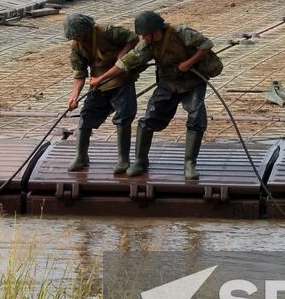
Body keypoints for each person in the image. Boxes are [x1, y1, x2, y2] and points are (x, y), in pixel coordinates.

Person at [94, 11, 223, 180]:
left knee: (197, 116)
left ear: (156, 30)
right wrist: (101, 79)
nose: (144, 38)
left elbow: (206, 44)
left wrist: (187, 64)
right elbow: (126, 62)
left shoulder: (181, 32)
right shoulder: (146, 44)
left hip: (193, 82)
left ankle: (189, 163)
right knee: (150, 116)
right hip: (168, 83)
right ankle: (141, 161)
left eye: (146, 34)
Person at [63, 14, 140, 174]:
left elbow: (133, 38)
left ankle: (123, 159)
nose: (77, 39)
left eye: (79, 35)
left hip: (121, 78)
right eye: (74, 37)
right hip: (98, 83)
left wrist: (123, 54)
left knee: (123, 116)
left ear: (87, 31)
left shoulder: (108, 32)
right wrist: (74, 96)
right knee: (86, 115)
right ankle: (81, 156)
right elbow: (79, 73)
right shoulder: (77, 47)